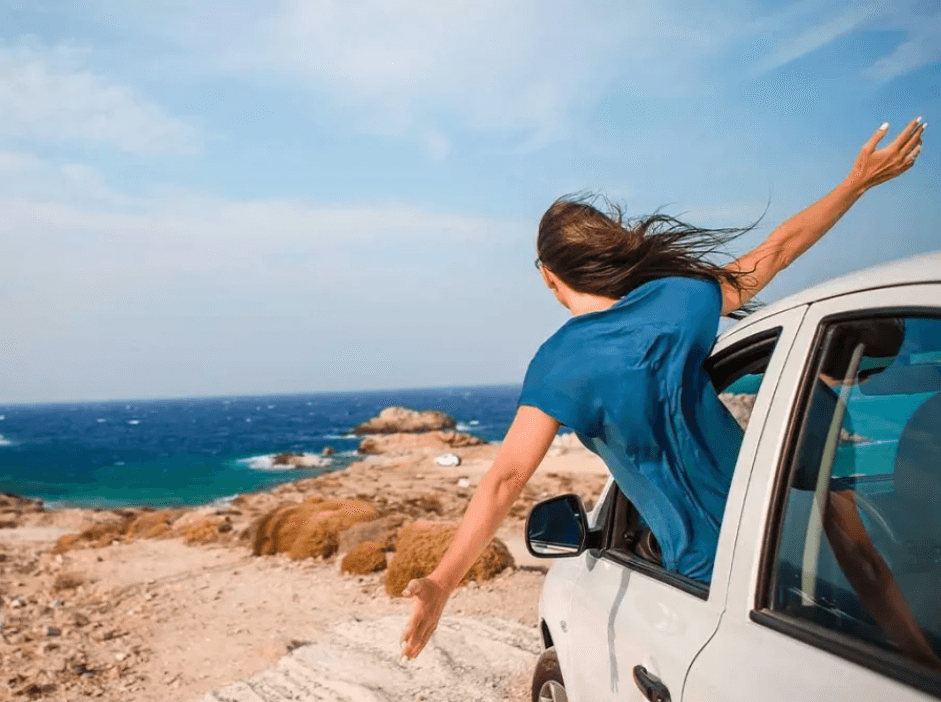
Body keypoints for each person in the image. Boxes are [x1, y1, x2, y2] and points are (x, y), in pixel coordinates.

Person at [399, 118, 926, 661]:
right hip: (781, 551)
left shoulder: (558, 363)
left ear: (547, 275)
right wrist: (855, 183)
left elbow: (505, 480)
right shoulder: (680, 301)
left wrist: (443, 582)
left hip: (709, 583)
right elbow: (778, 251)